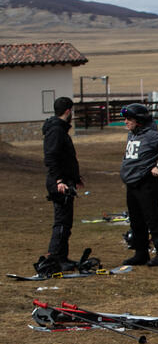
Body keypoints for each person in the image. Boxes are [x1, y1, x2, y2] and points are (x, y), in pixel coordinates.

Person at [119, 103, 158, 266]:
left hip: (147, 184)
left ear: (139, 120)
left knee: (152, 219)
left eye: (129, 119)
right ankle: (141, 252)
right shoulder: (132, 135)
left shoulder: (152, 135)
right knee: (136, 220)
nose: (126, 122)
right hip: (132, 185)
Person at [42, 97, 84, 271]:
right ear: (68, 111)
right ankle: (55, 258)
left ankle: (62, 257)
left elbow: (65, 158)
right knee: (61, 222)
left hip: (66, 181)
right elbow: (51, 157)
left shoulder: (59, 130)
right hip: (59, 183)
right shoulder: (56, 131)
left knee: (66, 222)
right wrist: (60, 180)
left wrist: (75, 178)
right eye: (71, 111)